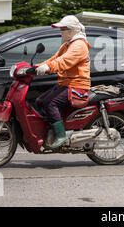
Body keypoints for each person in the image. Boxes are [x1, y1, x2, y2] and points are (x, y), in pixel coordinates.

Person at [35, 15, 91, 149]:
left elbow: (64, 61)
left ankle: (61, 135)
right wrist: (35, 67)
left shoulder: (79, 45)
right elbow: (54, 58)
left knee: (51, 104)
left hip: (77, 86)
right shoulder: (67, 45)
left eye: (63, 29)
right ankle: (51, 129)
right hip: (65, 84)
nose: (61, 32)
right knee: (40, 101)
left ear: (71, 30)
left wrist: (48, 68)